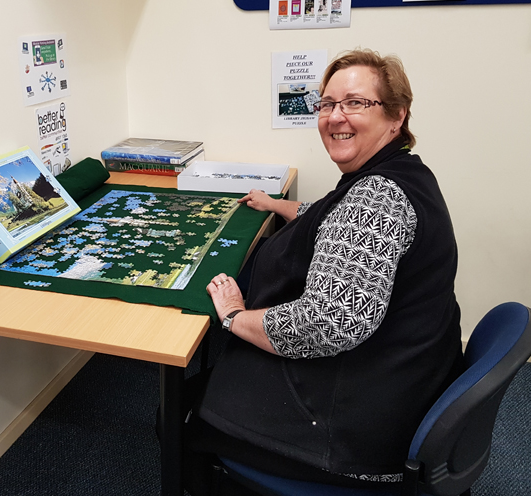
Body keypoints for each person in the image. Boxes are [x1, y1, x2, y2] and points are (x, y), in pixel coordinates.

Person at [186, 48, 465, 493]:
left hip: (358, 425)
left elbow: (324, 324)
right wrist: (279, 205)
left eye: (355, 103)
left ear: (397, 115)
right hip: (401, 376)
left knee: (182, 414)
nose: (336, 116)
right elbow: (334, 215)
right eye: (327, 104)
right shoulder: (400, 172)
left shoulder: (376, 198)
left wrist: (235, 317)